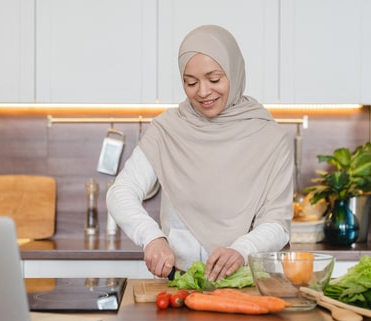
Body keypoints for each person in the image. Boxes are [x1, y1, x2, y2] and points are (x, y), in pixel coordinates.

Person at [106, 25, 293, 282]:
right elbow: (121, 191)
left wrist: (242, 250)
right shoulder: (167, 130)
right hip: (179, 281)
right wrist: (151, 237)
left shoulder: (270, 138)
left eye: (214, 79)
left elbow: (278, 224)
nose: (203, 92)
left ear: (234, 73)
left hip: (246, 282)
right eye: (191, 82)